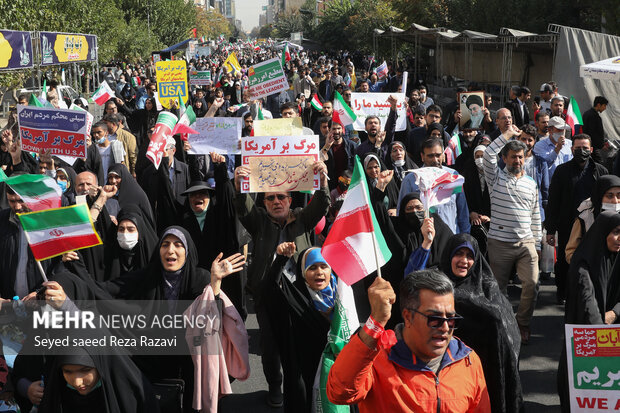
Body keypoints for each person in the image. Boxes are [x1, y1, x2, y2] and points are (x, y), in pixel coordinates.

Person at [233, 161, 330, 408]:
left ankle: (300, 388)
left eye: (281, 197)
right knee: (270, 347)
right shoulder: (260, 223)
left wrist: (322, 179)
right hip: (268, 296)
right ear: (264, 204)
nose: (276, 201)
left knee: (301, 345)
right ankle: (275, 385)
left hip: (300, 295)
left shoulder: (302, 219)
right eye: (270, 198)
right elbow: (244, 209)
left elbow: (321, 203)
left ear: (289, 199)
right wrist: (240, 186)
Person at [326, 271, 491, 412]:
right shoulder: (377, 357)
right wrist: (375, 323)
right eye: (434, 319)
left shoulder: (467, 360)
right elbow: (340, 392)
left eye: (451, 319)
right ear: (408, 316)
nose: (445, 327)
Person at [440, 234, 523, 413]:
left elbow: (506, 328)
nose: (464, 260)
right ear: (449, 255)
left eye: (470, 256)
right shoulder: (438, 287)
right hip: (451, 367)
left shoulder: (488, 286)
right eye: (459, 254)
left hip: (490, 367)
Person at [483, 125, 542, 344]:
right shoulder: (495, 179)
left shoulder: (531, 184)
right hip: (499, 243)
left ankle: (522, 323)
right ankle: (502, 324)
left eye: (521, 156)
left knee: (532, 283)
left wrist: (537, 243)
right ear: (505, 159)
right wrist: (507, 134)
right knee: (498, 289)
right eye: (513, 157)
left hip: (526, 243)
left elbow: (536, 215)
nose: (517, 160)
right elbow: (488, 154)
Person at [560, 211, 620, 411]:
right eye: (616, 232)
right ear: (602, 233)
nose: (619, 239)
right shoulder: (582, 263)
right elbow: (587, 302)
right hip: (589, 334)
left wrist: (615, 313)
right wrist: (601, 336)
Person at [263, 245, 333, 412]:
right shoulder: (293, 300)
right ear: (302, 272)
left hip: (335, 374)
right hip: (303, 376)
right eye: (312, 267)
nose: (319, 272)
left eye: (324, 266)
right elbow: (269, 292)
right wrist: (280, 259)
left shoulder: (342, 297)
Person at [545, 134, 607, 304]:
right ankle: (563, 292)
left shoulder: (600, 171)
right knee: (566, 259)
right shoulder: (562, 171)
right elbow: (553, 201)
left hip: (594, 226)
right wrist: (550, 230)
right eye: (578, 148)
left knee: (593, 260)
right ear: (572, 150)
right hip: (568, 225)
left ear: (592, 150)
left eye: (585, 148)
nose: (582, 151)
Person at [38, 348, 159, 413]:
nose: (77, 382)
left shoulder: (132, 398)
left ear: (101, 365)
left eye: (85, 370)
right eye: (68, 372)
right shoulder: (57, 396)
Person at [399, 139, 471, 235]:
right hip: (424, 241)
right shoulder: (411, 180)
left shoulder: (453, 176)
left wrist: (465, 237)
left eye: (438, 155)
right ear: (422, 156)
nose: (435, 160)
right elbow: (402, 213)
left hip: (451, 238)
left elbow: (462, 211)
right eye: (430, 156)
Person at [566, 175, 620, 264]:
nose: (615, 201)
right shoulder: (585, 217)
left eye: (619, 196)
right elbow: (571, 252)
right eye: (609, 196)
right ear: (599, 196)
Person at [103, 205, 158, 280]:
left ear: (140, 232)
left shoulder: (151, 254)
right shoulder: (108, 255)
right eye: (121, 229)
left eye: (131, 229)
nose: (125, 234)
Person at [581, 96, 608, 162]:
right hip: (592, 146)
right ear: (598, 105)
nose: (605, 108)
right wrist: (601, 145)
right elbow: (592, 133)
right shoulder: (593, 116)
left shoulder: (587, 113)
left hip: (588, 145)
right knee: (598, 164)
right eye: (604, 105)